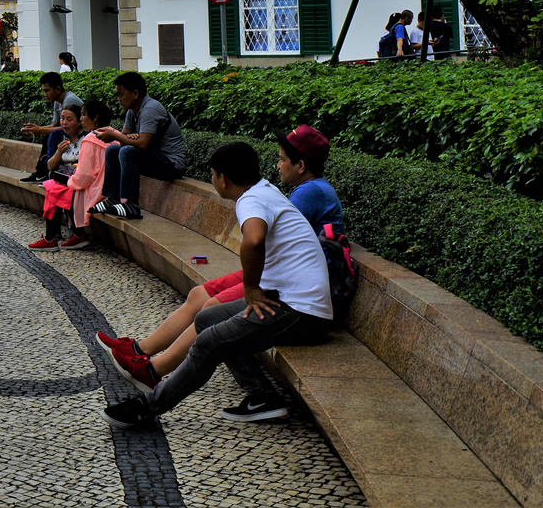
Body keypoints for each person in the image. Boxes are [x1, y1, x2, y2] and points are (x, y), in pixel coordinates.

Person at [103, 140, 334, 430]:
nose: (212, 180)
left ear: (223, 179)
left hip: (301, 313)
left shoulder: (250, 200)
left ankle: (149, 407)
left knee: (210, 341)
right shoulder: (263, 190)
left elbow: (253, 240)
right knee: (208, 317)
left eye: (212, 174)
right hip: (290, 302)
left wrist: (250, 289)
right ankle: (261, 396)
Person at [88, 72, 188, 221]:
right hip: (155, 158)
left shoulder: (150, 109)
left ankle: (131, 205)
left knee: (127, 152)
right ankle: (112, 198)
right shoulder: (131, 112)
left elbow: (143, 143)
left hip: (172, 164)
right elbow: (124, 139)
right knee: (113, 149)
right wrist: (126, 138)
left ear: (135, 93)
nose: (119, 99)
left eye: (121, 95)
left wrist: (118, 136)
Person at [29, 100, 111, 250]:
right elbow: (50, 166)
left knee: (58, 190)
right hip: (79, 182)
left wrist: (71, 182)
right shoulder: (57, 136)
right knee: (54, 187)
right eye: (62, 119)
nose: (64, 123)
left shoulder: (89, 139)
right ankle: (66, 236)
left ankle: (54, 238)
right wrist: (58, 153)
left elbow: (84, 176)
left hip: (85, 185)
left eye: (71, 119)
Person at [19, 72, 85, 183]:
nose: (45, 94)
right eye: (44, 91)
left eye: (47, 90)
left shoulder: (69, 100)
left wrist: (40, 130)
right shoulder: (57, 101)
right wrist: (35, 129)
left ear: (58, 89)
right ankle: (42, 172)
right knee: (49, 135)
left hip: (77, 137)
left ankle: (42, 173)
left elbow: (66, 127)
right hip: (66, 135)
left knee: (49, 135)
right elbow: (56, 125)